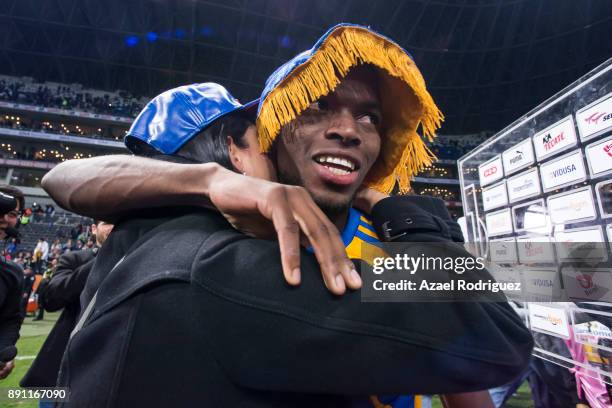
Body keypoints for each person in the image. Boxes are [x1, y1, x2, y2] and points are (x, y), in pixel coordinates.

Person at [49, 24, 530, 408]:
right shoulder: (226, 260)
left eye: (371, 118)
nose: (347, 130)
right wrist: (398, 209)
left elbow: (64, 178)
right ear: (250, 148)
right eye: (317, 108)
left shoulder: (149, 237)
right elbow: (488, 331)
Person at [21, 220, 113, 390]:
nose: (113, 227)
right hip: (64, 356)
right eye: (107, 222)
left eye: (118, 223)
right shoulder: (74, 258)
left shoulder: (134, 261)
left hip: (109, 354)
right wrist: (103, 259)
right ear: (93, 229)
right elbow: (51, 299)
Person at [0, 185, 25, 380]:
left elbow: (10, 318)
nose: (3, 218)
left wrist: (5, 351)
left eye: (11, 213)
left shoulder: (12, 272)